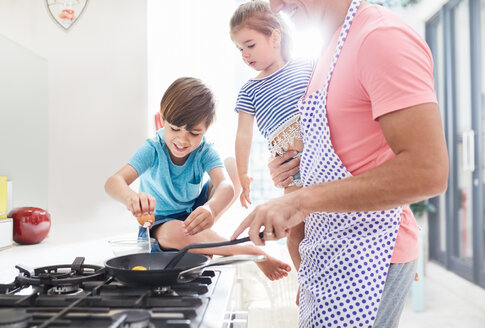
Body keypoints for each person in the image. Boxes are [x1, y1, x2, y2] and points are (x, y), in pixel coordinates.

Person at [231, 0, 449, 327]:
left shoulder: (379, 37)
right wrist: (288, 172)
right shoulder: (329, 51)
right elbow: (338, 148)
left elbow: (428, 171)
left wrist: (299, 200)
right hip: (328, 254)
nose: (275, 6)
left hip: (368, 257)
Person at [105, 77, 291, 281]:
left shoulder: (204, 150)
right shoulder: (153, 149)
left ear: (206, 129)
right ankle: (246, 251)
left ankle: (202, 238)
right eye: (174, 129)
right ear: (162, 121)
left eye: (194, 133)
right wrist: (131, 198)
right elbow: (113, 182)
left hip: (194, 214)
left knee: (232, 166)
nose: (182, 140)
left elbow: (225, 185)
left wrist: (210, 209)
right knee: (174, 232)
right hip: (161, 225)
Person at [230, 0, 313, 280]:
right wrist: (243, 174)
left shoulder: (307, 65)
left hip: (320, 158)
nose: (244, 54)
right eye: (239, 48)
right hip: (289, 167)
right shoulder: (249, 89)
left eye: (250, 45)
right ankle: (306, 281)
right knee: (298, 230)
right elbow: (244, 134)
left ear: (275, 36)